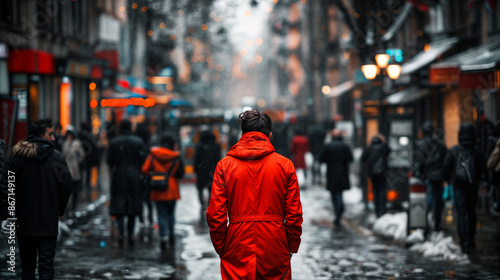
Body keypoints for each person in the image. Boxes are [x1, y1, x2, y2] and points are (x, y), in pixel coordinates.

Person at [206, 109, 303, 280]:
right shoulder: (285, 165)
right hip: (275, 242)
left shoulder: (225, 166)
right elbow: (294, 214)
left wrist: (223, 247)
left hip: (237, 241)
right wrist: (290, 246)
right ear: (270, 135)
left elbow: (216, 215)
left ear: (242, 133)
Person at [0, 118, 73, 279]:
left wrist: (8, 215)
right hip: (48, 221)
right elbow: (66, 186)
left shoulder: (16, 158)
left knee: (27, 268)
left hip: (24, 222)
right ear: (41, 135)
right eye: (50, 134)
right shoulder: (56, 159)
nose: (53, 138)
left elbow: (7, 188)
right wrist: (59, 210)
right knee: (46, 268)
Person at [442, 123, 486, 254]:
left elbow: (446, 168)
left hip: (458, 185)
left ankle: (463, 240)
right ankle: (471, 239)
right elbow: (483, 168)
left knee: (461, 212)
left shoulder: (454, 150)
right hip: (473, 184)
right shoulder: (477, 150)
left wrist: (448, 179)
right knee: (471, 211)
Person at [141, 133, 185, 249]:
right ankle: (171, 235)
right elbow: (181, 173)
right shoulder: (176, 156)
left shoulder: (154, 155)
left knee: (160, 214)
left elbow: (145, 169)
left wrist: (153, 175)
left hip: (158, 188)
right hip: (172, 189)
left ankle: (163, 237)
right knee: (171, 214)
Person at [107, 119, 145, 248]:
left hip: (118, 176)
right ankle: (130, 234)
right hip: (134, 176)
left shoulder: (113, 142)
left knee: (119, 205)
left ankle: (121, 233)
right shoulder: (138, 142)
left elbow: (109, 161)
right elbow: (142, 161)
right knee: (132, 207)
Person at [414, 122, 448, 231]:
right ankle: (437, 223)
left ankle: (426, 224)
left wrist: (419, 173)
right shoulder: (439, 144)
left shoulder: (420, 144)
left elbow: (418, 162)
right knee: (438, 201)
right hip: (438, 177)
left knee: (428, 201)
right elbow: (446, 160)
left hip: (428, 177)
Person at [319, 129, 353, 225]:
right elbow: (350, 158)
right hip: (342, 173)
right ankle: (340, 209)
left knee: (334, 194)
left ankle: (338, 212)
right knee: (340, 193)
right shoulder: (345, 146)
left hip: (331, 173)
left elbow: (322, 159)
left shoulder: (328, 146)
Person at [361, 134, 391, 217]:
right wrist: (384, 141)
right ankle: (382, 209)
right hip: (382, 173)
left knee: (375, 191)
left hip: (373, 174)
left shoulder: (369, 148)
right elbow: (389, 150)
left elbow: (363, 158)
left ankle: (377, 210)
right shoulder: (383, 148)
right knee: (382, 191)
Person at [194, 130, 221, 209]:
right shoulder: (216, 146)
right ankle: (209, 202)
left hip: (201, 170)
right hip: (212, 171)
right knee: (211, 188)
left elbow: (196, 159)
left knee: (200, 188)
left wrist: (196, 169)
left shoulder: (199, 146)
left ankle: (202, 203)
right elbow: (218, 159)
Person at [61, 126, 85, 213]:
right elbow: (63, 154)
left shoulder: (77, 143)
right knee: (67, 189)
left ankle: (74, 206)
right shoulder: (65, 143)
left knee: (75, 189)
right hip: (67, 169)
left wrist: (78, 161)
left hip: (75, 169)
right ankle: (67, 206)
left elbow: (82, 154)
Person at [79, 121, 101, 203]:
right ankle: (86, 187)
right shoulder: (87, 136)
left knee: (83, 173)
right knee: (87, 173)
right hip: (88, 158)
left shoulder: (81, 135)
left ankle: (84, 187)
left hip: (85, 157)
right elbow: (94, 147)